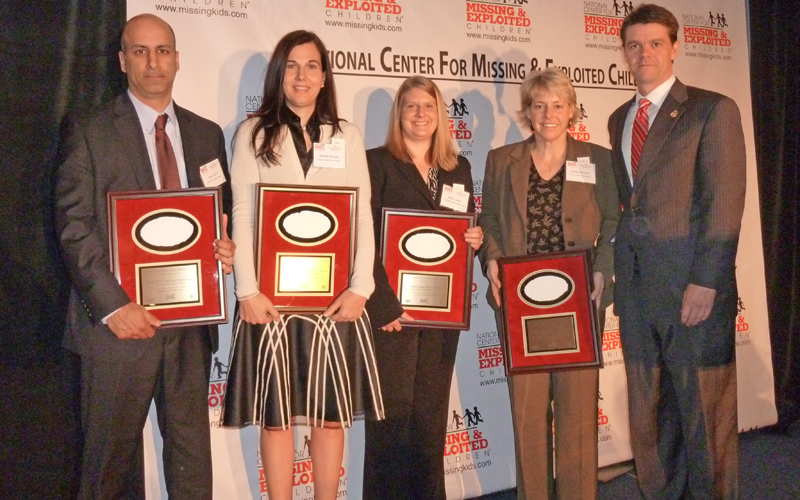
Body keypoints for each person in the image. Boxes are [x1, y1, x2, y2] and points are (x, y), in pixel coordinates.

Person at [54, 14, 235, 499]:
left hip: (190, 326)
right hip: (117, 329)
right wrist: (115, 307)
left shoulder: (206, 134)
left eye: (162, 50)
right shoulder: (90, 130)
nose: (152, 62)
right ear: (122, 60)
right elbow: (74, 226)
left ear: (177, 59)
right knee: (106, 468)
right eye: (140, 51)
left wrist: (225, 243)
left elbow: (221, 210)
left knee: (192, 461)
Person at [220, 31, 383, 500]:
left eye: (312, 66)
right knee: (277, 416)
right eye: (292, 66)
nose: (302, 76)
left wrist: (360, 288)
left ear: (325, 75)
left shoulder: (347, 135)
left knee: (331, 417)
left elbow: (360, 216)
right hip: (269, 299)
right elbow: (246, 214)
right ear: (278, 74)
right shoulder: (253, 133)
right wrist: (247, 292)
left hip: (335, 299)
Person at [608, 4, 746, 499]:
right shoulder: (618, 118)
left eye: (654, 43)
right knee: (650, 418)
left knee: (705, 417)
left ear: (674, 48)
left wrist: (707, 280)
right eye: (633, 44)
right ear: (623, 52)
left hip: (693, 292)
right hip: (638, 294)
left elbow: (724, 202)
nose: (643, 53)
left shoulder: (713, 109)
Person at [478, 67, 620, 499]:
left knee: (577, 412)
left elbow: (615, 220)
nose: (548, 113)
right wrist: (493, 261)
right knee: (527, 411)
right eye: (539, 105)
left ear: (572, 110)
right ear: (528, 111)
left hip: (578, 296)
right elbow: (489, 221)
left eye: (557, 105)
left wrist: (602, 267)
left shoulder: (598, 158)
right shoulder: (503, 160)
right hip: (520, 301)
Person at [362, 76, 483, 500]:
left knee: (430, 420)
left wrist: (474, 240)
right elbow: (362, 238)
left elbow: (460, 233)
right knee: (390, 421)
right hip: (392, 313)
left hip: (440, 314)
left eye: (428, 107)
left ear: (440, 115)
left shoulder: (458, 168)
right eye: (411, 106)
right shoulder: (375, 163)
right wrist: (382, 305)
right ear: (399, 114)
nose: (420, 114)